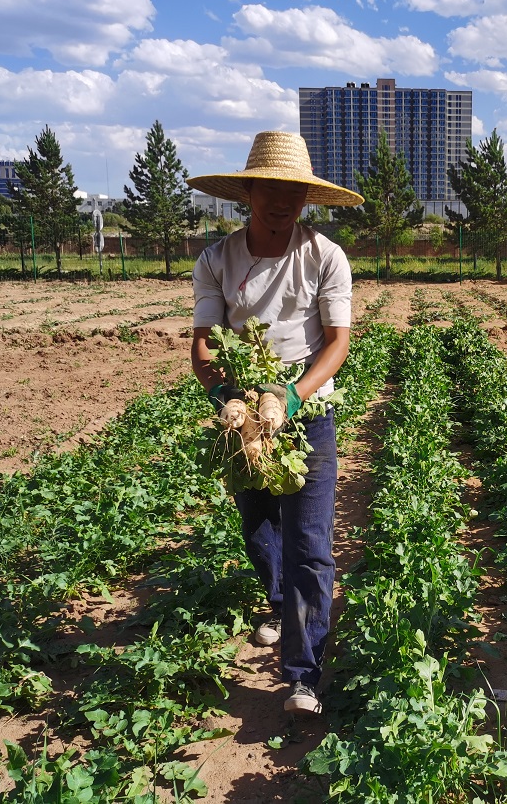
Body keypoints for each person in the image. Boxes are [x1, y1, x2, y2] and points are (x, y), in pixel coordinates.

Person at [187, 131, 363, 714]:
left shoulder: (325, 256)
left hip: (306, 412)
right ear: (250, 193)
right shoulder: (217, 259)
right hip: (243, 416)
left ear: (307, 199)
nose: (283, 201)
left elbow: (336, 345)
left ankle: (303, 671)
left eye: (295, 191)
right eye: (272, 189)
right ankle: (282, 603)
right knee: (260, 529)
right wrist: (229, 400)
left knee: (310, 542)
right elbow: (205, 346)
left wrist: (289, 397)